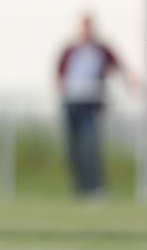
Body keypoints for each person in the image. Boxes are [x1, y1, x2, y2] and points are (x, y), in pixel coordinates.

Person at [57, 14, 137, 197]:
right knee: (74, 149)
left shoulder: (100, 49)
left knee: (91, 146)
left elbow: (118, 65)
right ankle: (80, 189)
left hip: (91, 103)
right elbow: (59, 72)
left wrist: (131, 82)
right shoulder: (71, 49)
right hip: (72, 102)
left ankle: (97, 187)